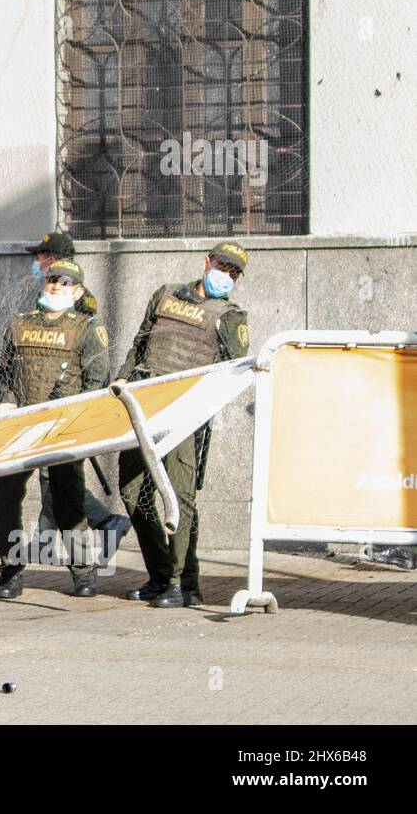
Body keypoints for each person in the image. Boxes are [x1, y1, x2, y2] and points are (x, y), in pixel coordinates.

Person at [113, 240, 251, 608]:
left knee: (180, 497)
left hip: (186, 415)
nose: (227, 276)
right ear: (206, 262)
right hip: (143, 408)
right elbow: (138, 346)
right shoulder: (164, 296)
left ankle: (184, 583)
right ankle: (161, 574)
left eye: (234, 273)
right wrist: (119, 386)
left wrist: (202, 404)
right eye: (223, 267)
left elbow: (236, 373)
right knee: (131, 491)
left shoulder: (229, 316)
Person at [0, 259, 109, 599]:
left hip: (64, 427)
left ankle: (83, 571)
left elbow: (97, 383)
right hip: (21, 426)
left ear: (78, 291)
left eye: (66, 282)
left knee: (68, 502)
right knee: (6, 500)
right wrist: (8, 400)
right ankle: (10, 570)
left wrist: (78, 419)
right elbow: (6, 373)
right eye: (52, 279)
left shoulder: (87, 329)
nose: (56, 286)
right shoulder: (19, 324)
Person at [24, 230, 131, 565]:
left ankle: (106, 521)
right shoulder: (49, 294)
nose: (37, 263)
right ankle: (44, 544)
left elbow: (88, 356)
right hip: (47, 400)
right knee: (50, 475)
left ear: (56, 259)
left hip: (68, 400)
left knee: (55, 477)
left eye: (41, 257)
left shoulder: (79, 299)